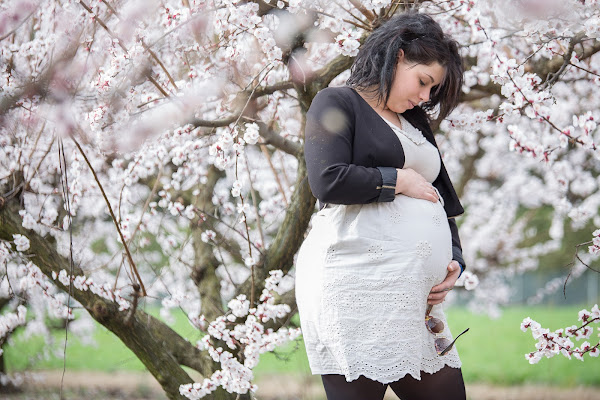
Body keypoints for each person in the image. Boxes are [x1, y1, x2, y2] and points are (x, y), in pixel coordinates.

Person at [294, 11, 468, 400]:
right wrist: (398, 180)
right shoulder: (336, 102)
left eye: (432, 91)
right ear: (399, 55)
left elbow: (438, 198)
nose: (425, 97)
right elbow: (328, 179)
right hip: (356, 287)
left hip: (413, 299)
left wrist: (454, 259)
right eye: (423, 82)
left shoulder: (416, 122)